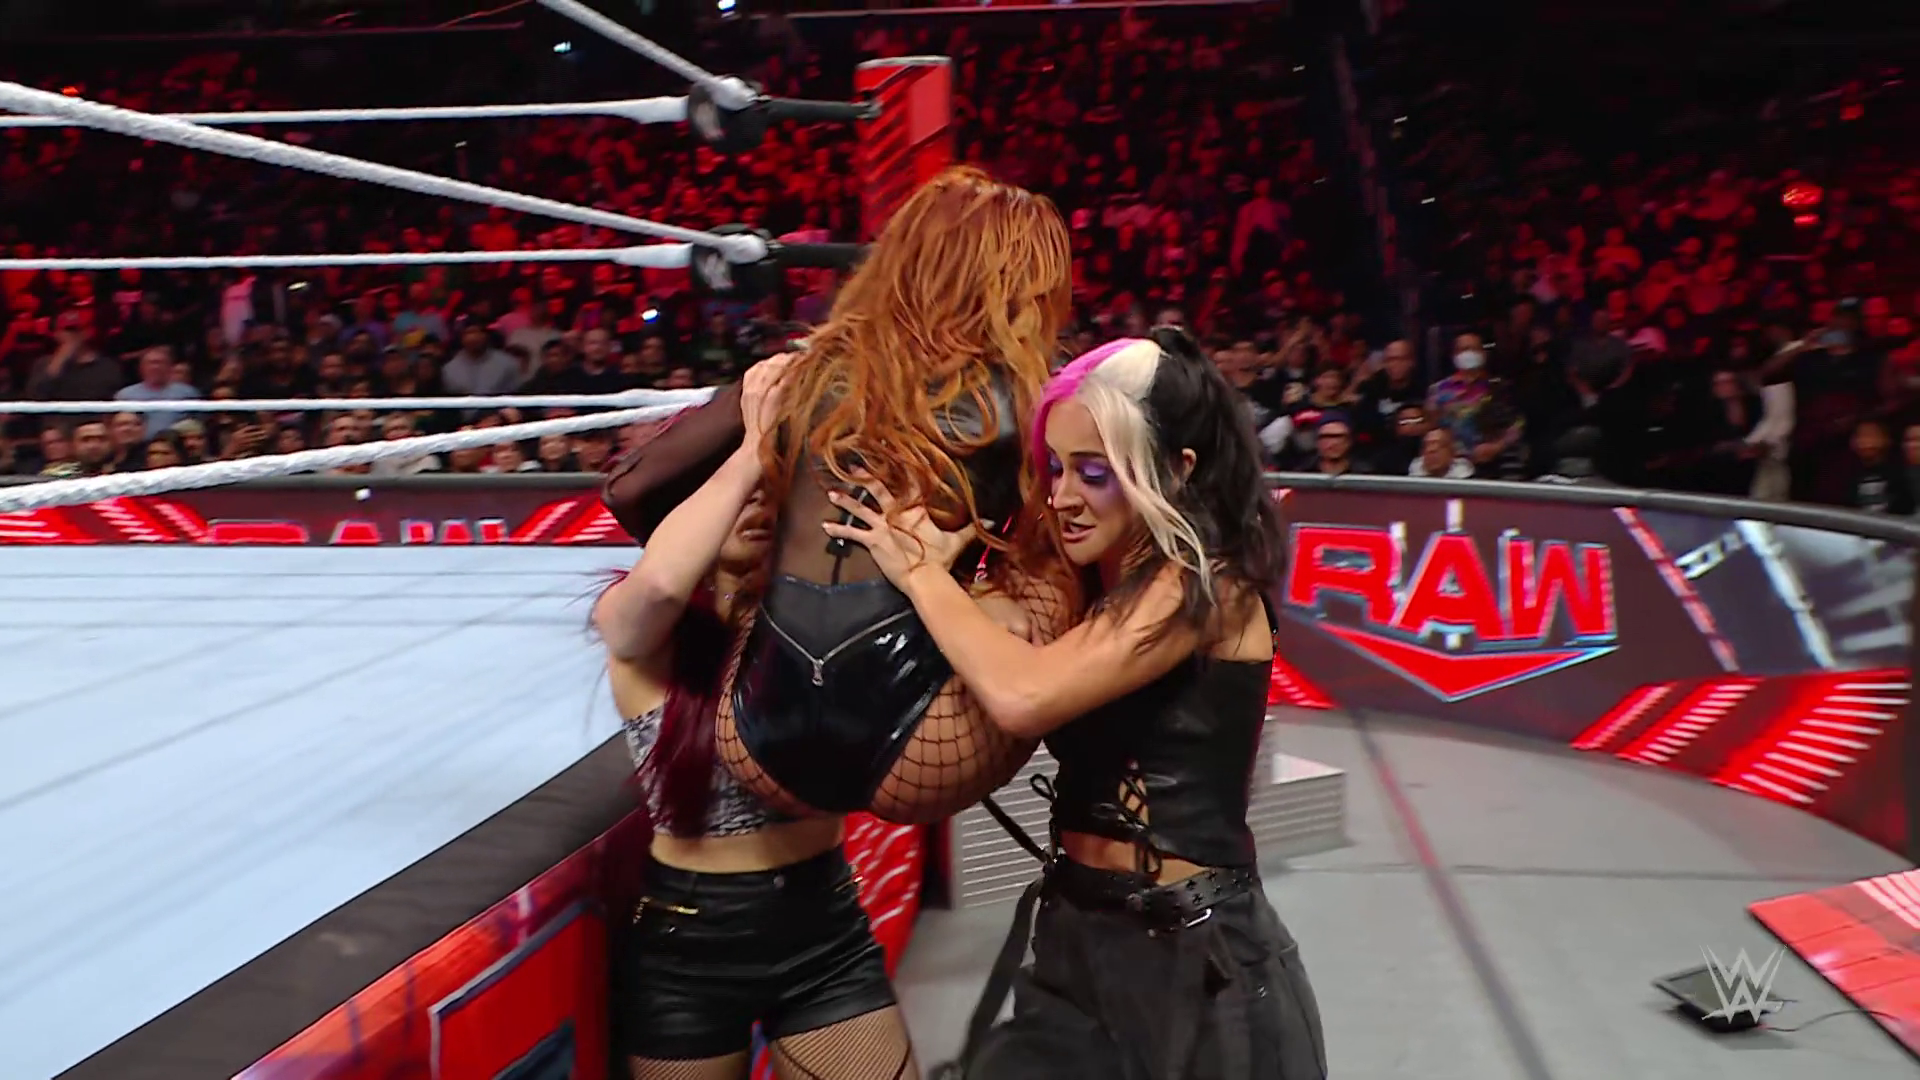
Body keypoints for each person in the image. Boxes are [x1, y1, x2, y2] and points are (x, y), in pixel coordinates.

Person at [820, 329, 1328, 1079]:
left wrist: (923, 575)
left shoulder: (1206, 584)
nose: (1061, 497)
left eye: (1093, 472)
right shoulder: (1095, 583)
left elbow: (1023, 695)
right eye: (1055, 468)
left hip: (1198, 965)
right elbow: (997, 647)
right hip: (1074, 941)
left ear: (1177, 470)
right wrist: (966, 579)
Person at [604, 166, 1077, 824]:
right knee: (1066, 552)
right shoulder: (1034, 395)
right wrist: (982, 588)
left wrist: (759, 484)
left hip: (758, 729)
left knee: (757, 546)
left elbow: (632, 489)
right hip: (927, 744)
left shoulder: (802, 369)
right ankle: (1103, 797)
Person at [592, 355, 919, 1080]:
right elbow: (662, 583)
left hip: (823, 921)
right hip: (688, 941)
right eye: (740, 490)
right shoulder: (646, 627)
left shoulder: (825, 620)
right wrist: (749, 449)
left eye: (774, 488)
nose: (757, 502)